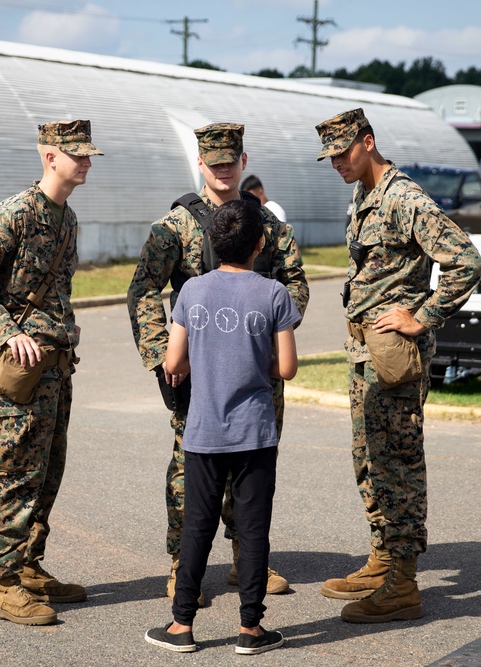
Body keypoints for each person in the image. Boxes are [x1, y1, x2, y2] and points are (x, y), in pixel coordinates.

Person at [127, 122, 309, 601]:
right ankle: (180, 563)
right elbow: (144, 289)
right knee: (190, 469)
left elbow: (296, 284)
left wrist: (273, 342)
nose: (223, 171)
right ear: (201, 166)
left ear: (243, 162)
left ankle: (245, 562)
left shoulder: (269, 227)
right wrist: (163, 356)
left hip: (257, 373)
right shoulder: (175, 227)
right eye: (214, 164)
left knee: (251, 468)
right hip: (195, 373)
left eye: (231, 163)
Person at [314, 108, 481, 623]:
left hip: (392, 356)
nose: (337, 163)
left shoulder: (404, 198)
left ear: (368, 141)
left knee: (397, 462)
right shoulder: (365, 194)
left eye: (344, 152)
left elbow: (466, 261)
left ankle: (403, 584)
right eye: (330, 156)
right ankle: (383, 558)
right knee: (368, 456)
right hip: (364, 351)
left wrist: (423, 316)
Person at [0, 120, 103, 626]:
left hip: (57, 368)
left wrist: (64, 330)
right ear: (49, 156)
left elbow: (53, 291)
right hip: (22, 370)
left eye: (88, 155)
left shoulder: (68, 218)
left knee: (48, 471)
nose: (85, 162)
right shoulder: (17, 212)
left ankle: (29, 566)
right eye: (76, 154)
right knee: (17, 472)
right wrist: (3, 331)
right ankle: (2, 583)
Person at [144, 200, 301, 656]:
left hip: (203, 431)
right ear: (260, 243)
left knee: (197, 527)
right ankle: (251, 630)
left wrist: (204, 357)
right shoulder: (275, 294)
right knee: (253, 529)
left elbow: (174, 361)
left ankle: (181, 625)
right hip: (255, 432)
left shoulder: (192, 291)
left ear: (211, 243)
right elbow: (286, 368)